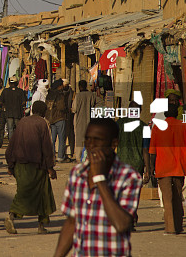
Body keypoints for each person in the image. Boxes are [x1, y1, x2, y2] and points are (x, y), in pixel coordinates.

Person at [53, 118, 142, 257]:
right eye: (87, 139)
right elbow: (72, 222)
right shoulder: (77, 173)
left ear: (113, 144)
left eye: (97, 140)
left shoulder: (129, 177)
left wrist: (100, 179)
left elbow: (122, 224)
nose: (91, 145)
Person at [5, 100, 57, 235]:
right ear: (43, 111)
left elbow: (12, 143)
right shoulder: (42, 123)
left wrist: (10, 164)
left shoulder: (22, 121)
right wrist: (50, 167)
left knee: (27, 192)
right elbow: (46, 146)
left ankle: (37, 225)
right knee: (40, 194)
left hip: (19, 165)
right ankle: (16, 217)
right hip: (36, 166)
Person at [149, 93, 186, 235]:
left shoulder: (157, 127)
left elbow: (152, 151)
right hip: (180, 167)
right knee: (177, 197)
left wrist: (150, 168)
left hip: (163, 167)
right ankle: (179, 226)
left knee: (167, 199)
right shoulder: (184, 126)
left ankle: (170, 228)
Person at [116, 101, 150, 184]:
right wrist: (148, 170)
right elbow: (145, 150)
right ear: (140, 111)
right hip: (137, 166)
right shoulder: (144, 127)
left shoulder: (119, 124)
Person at [0, 76, 27, 148]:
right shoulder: (20, 91)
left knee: (10, 129)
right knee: (18, 129)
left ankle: (11, 143)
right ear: (17, 83)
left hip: (9, 113)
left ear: (9, 83)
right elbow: (23, 103)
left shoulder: (5, 91)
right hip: (18, 114)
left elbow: (0, 102)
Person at [46, 80, 71, 163]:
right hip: (59, 118)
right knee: (61, 138)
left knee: (52, 139)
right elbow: (61, 107)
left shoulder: (49, 94)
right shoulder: (60, 95)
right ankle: (60, 156)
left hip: (51, 119)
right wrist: (66, 109)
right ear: (59, 86)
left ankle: (52, 156)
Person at [71, 80, 97, 160]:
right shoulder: (91, 95)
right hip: (89, 119)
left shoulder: (78, 96)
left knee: (79, 139)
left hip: (79, 120)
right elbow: (93, 105)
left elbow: (74, 109)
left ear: (80, 87)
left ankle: (78, 158)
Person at [61, 79, 75, 157]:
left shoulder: (72, 93)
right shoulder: (61, 93)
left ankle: (70, 152)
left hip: (69, 116)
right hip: (63, 116)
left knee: (69, 134)